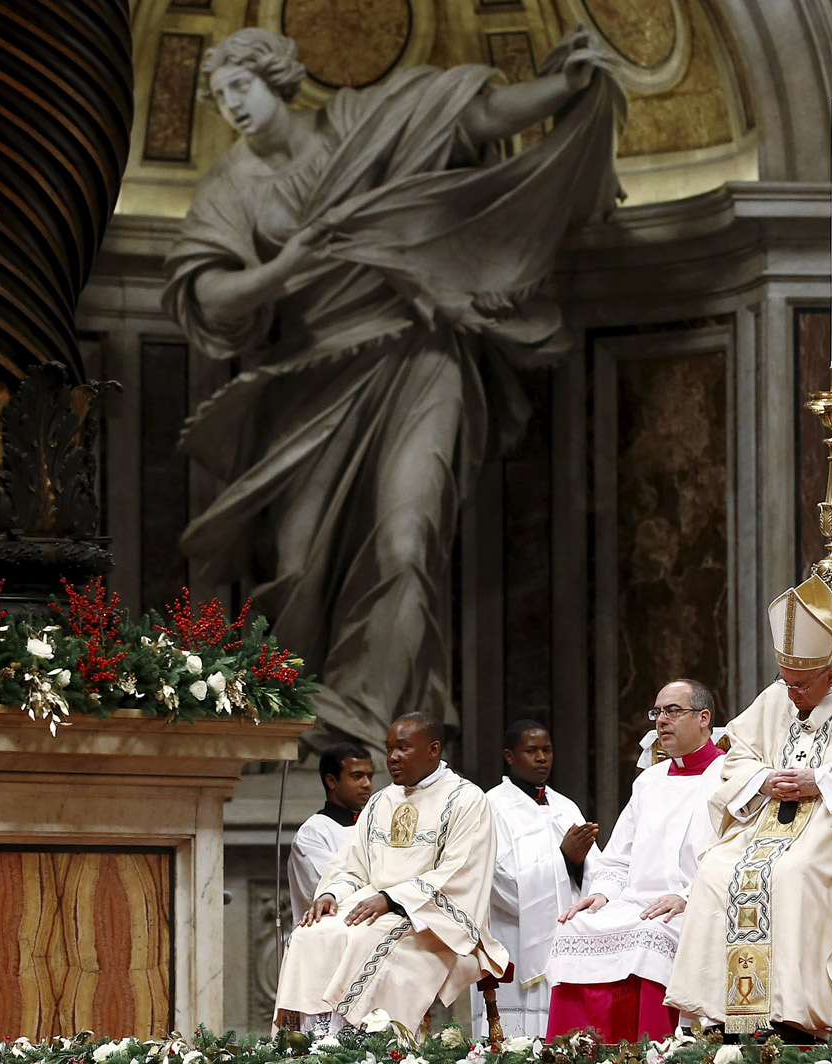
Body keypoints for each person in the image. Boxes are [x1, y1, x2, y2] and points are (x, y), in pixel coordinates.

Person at [165, 27, 623, 753]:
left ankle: (382, 734)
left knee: (408, 543)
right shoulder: (229, 187)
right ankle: (306, 735)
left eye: (241, 88)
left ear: (276, 78)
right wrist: (286, 269)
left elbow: (472, 115)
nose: (233, 107)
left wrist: (563, 87)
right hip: (309, 381)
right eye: (220, 98)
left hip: (418, 357)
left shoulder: (360, 122)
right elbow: (211, 297)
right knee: (296, 569)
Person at [665, 575, 832, 1040]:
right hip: (763, 824)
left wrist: (821, 779)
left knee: (792, 873)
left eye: (802, 685)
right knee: (716, 871)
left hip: (831, 824)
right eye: (786, 682)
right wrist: (764, 779)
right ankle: (726, 1020)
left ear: (831, 673)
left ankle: (793, 1018)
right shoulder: (776, 698)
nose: (792, 695)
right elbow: (737, 755)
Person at [274, 712, 508, 1034]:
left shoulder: (466, 800)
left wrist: (392, 899)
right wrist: (331, 893)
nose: (392, 758)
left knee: (364, 938)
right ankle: (304, 1042)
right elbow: (353, 863)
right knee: (310, 934)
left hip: (428, 918)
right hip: (376, 904)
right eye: (389, 749)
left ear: (433, 749)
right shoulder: (382, 801)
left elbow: (461, 872)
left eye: (402, 749)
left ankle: (357, 1045)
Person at [543, 679, 724, 1043]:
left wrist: (688, 896)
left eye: (673, 711)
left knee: (648, 938)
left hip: (696, 903)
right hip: (636, 902)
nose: (661, 721)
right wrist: (604, 894)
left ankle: (650, 1048)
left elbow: (733, 855)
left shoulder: (729, 775)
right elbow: (618, 856)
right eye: (657, 712)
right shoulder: (649, 781)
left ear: (704, 718)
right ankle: (574, 1049)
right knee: (572, 927)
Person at [470, 719, 599, 1037]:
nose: (541, 757)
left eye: (547, 750)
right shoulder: (491, 807)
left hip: (565, 941)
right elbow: (497, 882)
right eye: (531, 751)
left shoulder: (564, 806)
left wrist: (578, 865)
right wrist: (564, 859)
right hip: (511, 939)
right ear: (510, 756)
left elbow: (597, 872)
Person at [288, 741, 376, 918]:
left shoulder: (376, 825)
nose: (367, 784)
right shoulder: (314, 833)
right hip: (329, 932)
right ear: (331, 781)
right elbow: (332, 889)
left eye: (369, 776)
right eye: (357, 776)